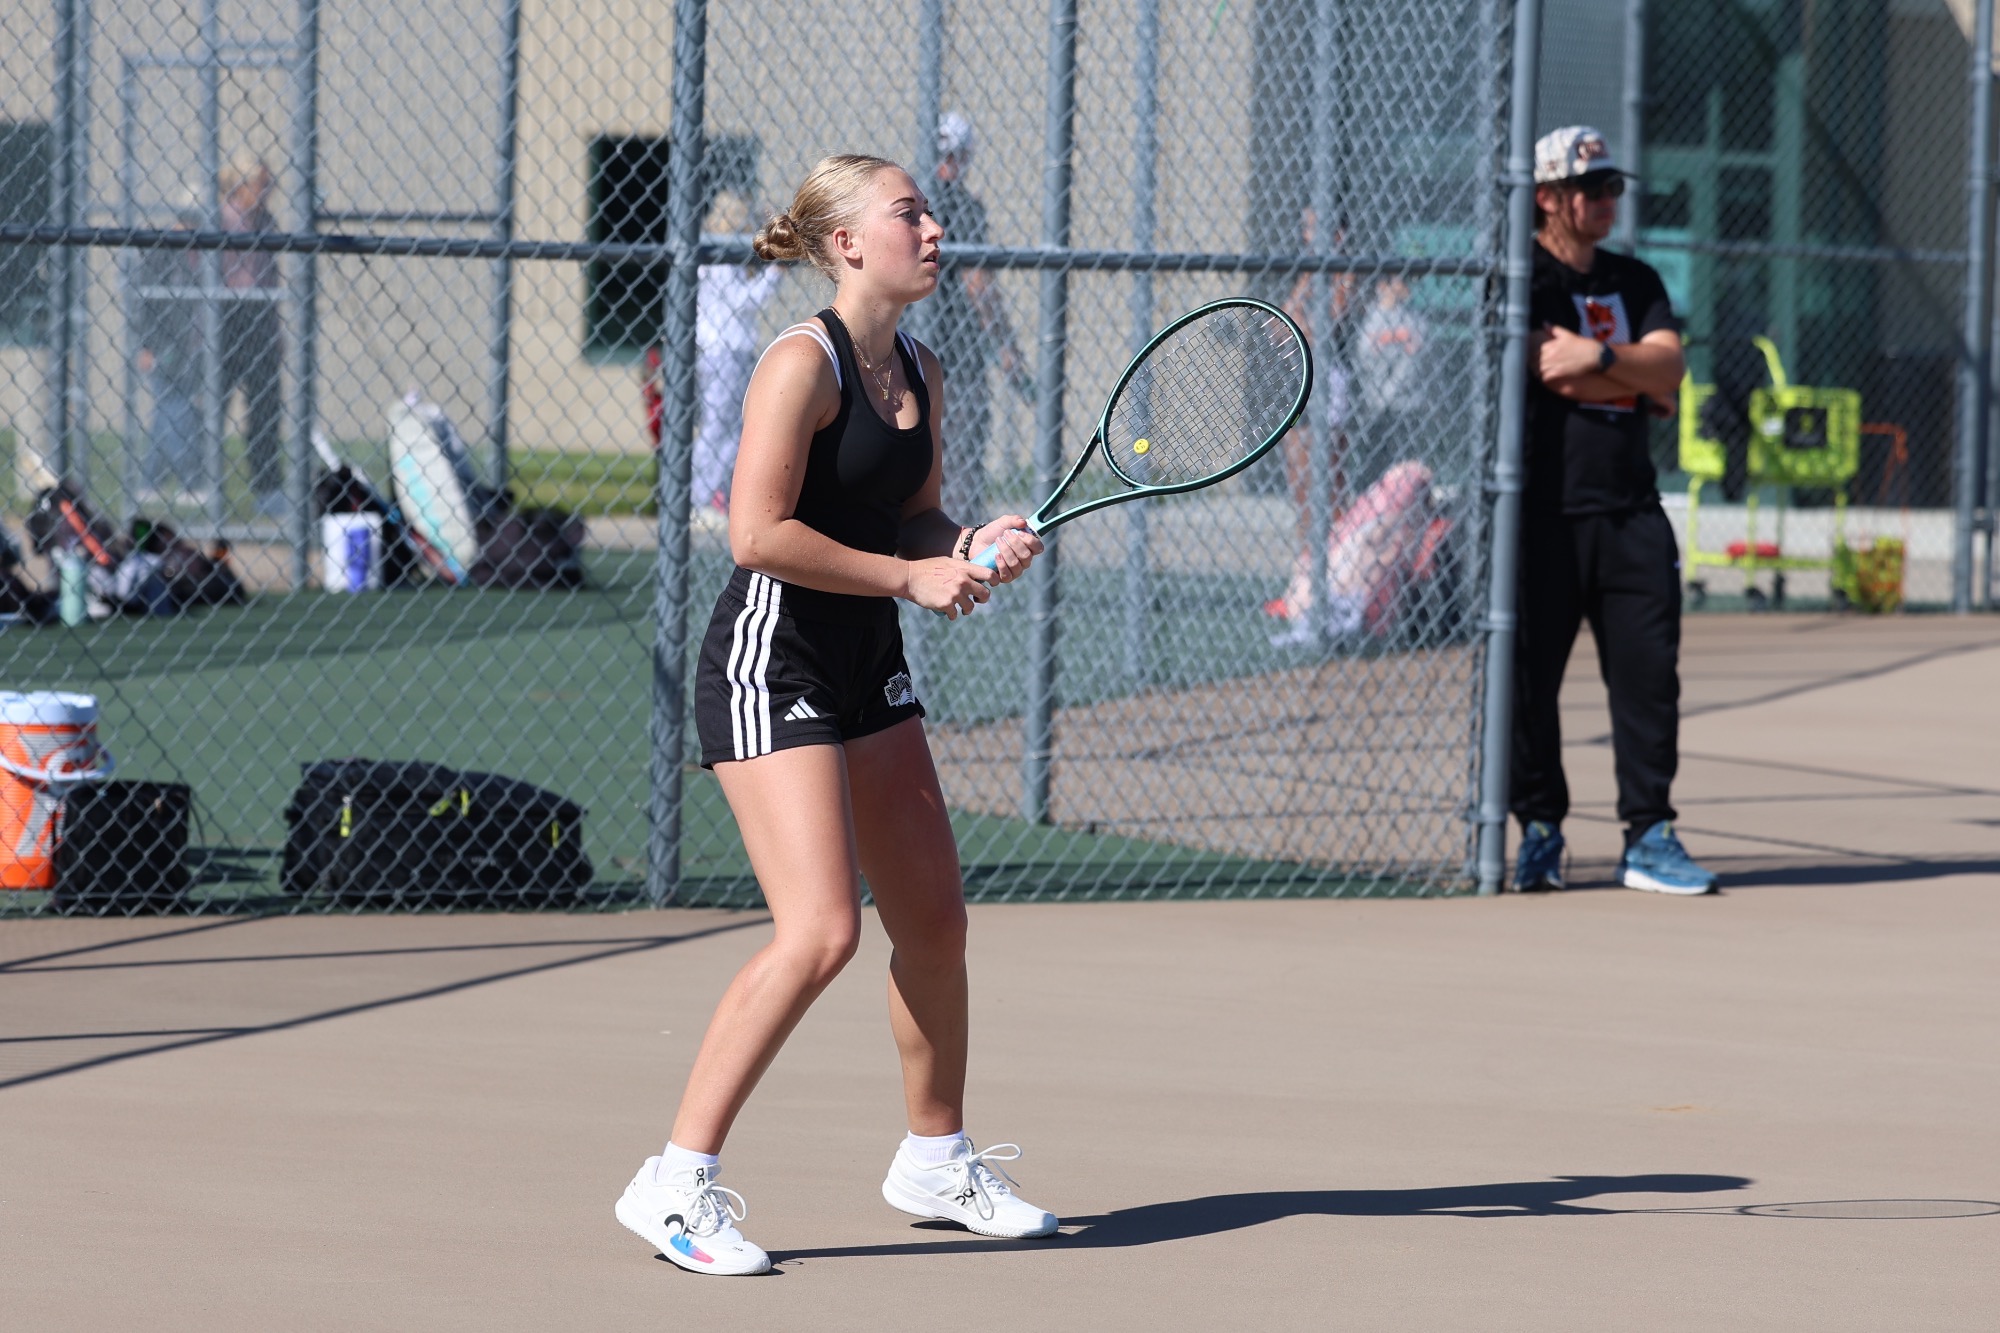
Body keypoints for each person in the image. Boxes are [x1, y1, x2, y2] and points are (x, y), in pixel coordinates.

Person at [612, 154, 1052, 1276]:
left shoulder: (922, 369)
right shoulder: (797, 364)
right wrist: (910, 577)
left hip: (867, 662)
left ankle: (935, 1159)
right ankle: (673, 1182)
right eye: (910, 213)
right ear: (848, 242)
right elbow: (755, 533)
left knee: (935, 922)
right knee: (820, 931)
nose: (935, 229)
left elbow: (914, 518)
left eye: (931, 213)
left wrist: (965, 543)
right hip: (772, 660)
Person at [1512, 126, 1717, 896]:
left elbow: (1669, 368)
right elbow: (1549, 369)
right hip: (1543, 515)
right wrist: (1638, 380)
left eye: (1612, 186)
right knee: (1527, 684)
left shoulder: (1635, 278)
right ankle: (1540, 829)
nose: (1607, 200)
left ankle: (1649, 835)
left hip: (1630, 512)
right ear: (1547, 197)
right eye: (1590, 188)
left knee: (1648, 679)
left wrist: (1602, 358)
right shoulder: (1524, 276)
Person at [926, 112, 1028, 522]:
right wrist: (1006, 346)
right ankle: (959, 550)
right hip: (959, 357)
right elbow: (978, 283)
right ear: (965, 156)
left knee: (915, 465)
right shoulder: (964, 207)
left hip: (913, 351)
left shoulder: (910, 206)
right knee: (961, 467)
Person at [691, 191, 784, 526]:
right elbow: (744, 302)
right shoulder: (721, 257)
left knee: (731, 427)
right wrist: (775, 273)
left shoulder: (721, 254)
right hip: (724, 350)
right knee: (719, 427)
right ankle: (699, 499)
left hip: (729, 350)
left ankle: (714, 496)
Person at [217, 153, 285, 515]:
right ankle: (203, 482)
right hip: (227, 316)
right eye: (262, 183)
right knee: (213, 404)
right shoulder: (224, 219)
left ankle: (268, 487)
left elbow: (270, 277)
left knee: (265, 408)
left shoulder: (267, 222)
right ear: (242, 184)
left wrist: (275, 330)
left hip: (261, 317)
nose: (268, 191)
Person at [134, 193, 207, 498]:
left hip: (192, 347)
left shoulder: (200, 250)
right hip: (165, 345)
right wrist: (146, 345)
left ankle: (149, 482)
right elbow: (145, 302)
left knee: (168, 412)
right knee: (177, 409)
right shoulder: (163, 248)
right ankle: (192, 483)